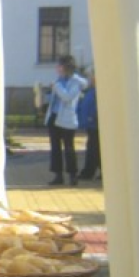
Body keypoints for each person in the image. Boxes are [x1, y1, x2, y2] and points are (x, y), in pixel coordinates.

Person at [45, 54, 86, 186]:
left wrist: (56, 87)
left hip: (67, 119)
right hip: (54, 117)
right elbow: (54, 98)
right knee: (55, 148)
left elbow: (67, 97)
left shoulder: (76, 82)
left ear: (66, 67)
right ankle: (58, 175)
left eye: (59, 65)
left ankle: (73, 175)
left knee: (68, 148)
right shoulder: (59, 80)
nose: (57, 68)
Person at [77, 69, 100, 181]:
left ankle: (88, 172)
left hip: (95, 124)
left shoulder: (98, 91)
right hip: (90, 125)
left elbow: (98, 106)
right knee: (93, 148)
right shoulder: (91, 90)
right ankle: (91, 171)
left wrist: (93, 116)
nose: (89, 79)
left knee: (93, 149)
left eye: (90, 76)